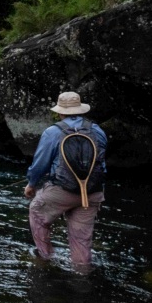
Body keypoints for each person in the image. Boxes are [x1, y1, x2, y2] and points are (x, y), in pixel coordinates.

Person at [23, 91, 107, 268]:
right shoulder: (97, 130)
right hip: (92, 192)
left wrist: (31, 184)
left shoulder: (52, 132)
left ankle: (45, 258)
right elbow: (101, 164)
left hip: (62, 191)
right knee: (81, 240)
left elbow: (40, 164)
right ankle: (82, 274)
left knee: (36, 212)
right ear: (81, 110)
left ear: (60, 112)